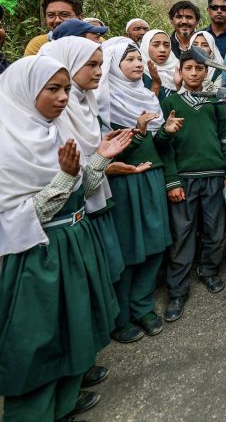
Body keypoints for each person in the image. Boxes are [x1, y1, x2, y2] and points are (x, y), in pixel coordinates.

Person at [0, 56, 131, 421]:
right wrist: (64, 177)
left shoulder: (53, 131)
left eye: (66, 90)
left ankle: (65, 401)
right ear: (25, 92)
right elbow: (20, 216)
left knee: (76, 325)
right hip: (37, 255)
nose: (62, 99)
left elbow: (80, 192)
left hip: (74, 243)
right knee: (38, 340)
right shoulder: (6, 145)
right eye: (52, 90)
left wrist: (100, 160)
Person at [102, 38, 182, 343]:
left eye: (138, 59)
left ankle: (143, 306)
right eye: (130, 60)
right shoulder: (105, 103)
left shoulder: (149, 99)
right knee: (129, 250)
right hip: (124, 183)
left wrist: (164, 132)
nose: (138, 64)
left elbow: (159, 146)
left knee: (154, 244)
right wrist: (137, 132)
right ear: (114, 66)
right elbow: (107, 153)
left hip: (152, 178)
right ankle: (121, 316)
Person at [160, 52, 226, 323]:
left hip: (213, 176)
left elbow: (225, 137)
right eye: (188, 68)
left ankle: (209, 272)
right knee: (182, 233)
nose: (194, 73)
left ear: (206, 72)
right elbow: (164, 146)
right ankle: (178, 290)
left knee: (215, 229)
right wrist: (172, 180)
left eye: (199, 68)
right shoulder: (170, 102)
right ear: (180, 71)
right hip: (184, 179)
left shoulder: (214, 102)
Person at [141, 29, 180, 99]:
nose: (162, 50)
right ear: (146, 46)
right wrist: (156, 84)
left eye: (167, 45)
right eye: (156, 45)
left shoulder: (179, 68)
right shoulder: (139, 72)